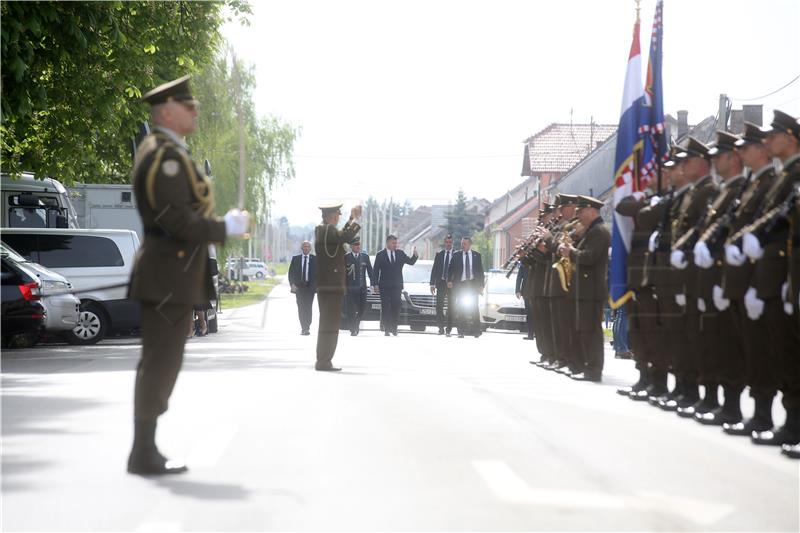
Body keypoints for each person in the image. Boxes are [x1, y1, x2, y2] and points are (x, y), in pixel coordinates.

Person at [127, 75, 250, 475]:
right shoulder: (164, 158)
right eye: (188, 105)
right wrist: (223, 228)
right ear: (166, 112)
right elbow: (176, 219)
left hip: (172, 273)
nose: (195, 110)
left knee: (165, 360)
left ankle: (145, 448)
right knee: (161, 362)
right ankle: (142, 451)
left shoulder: (169, 152)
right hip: (166, 273)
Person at [558, 195, 610, 382]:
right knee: (583, 330)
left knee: (591, 332)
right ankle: (585, 366)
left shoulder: (599, 231)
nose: (578, 215)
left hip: (592, 289)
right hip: (585, 289)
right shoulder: (591, 231)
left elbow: (589, 257)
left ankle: (594, 369)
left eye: (581, 212)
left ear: (591, 210)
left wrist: (570, 251)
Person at [314, 203, 362, 371]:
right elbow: (346, 237)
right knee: (330, 326)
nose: (338, 217)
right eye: (337, 215)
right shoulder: (327, 230)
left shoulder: (325, 231)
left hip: (328, 286)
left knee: (328, 325)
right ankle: (324, 361)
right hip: (331, 286)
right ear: (331, 216)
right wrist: (354, 219)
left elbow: (341, 236)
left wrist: (351, 219)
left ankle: (324, 359)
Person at [373, 235, 418, 336]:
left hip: (397, 286)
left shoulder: (400, 253)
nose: (395, 245)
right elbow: (375, 270)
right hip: (384, 286)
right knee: (385, 307)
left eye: (396, 243)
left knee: (396, 306)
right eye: (393, 243)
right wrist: (374, 284)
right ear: (388, 243)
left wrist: (415, 255)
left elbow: (410, 262)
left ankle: (394, 328)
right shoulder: (380, 255)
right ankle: (387, 328)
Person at [447, 236, 485, 338]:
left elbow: (481, 272)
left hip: (472, 285)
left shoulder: (477, 255)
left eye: (464, 244)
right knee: (461, 308)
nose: (462, 245)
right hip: (461, 285)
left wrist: (481, 286)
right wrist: (449, 280)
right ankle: (461, 331)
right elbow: (450, 269)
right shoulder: (456, 255)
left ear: (470, 244)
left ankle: (477, 331)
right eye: (462, 243)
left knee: (474, 308)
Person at [344, 238, 374, 336]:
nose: (358, 247)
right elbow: (342, 274)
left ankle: (356, 324)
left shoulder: (365, 257)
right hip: (350, 289)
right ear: (351, 246)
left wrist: (374, 284)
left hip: (362, 288)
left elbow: (370, 271)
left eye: (358, 245)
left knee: (363, 308)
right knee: (350, 310)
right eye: (355, 245)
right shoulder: (346, 257)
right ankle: (353, 328)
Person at [288, 241, 316, 335]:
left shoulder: (315, 259)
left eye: (308, 246)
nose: (306, 248)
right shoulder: (295, 259)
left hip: (310, 288)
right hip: (299, 288)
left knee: (308, 307)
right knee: (301, 307)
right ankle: (303, 327)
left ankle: (307, 326)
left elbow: (319, 274)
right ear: (302, 248)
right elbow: (291, 273)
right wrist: (292, 284)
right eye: (304, 246)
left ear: (310, 248)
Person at [430, 234, 455, 335]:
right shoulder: (439, 254)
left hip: (451, 285)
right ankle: (441, 328)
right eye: (447, 242)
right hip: (441, 284)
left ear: (452, 243)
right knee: (439, 307)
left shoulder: (456, 254)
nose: (448, 244)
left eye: (450, 242)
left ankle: (448, 329)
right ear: (444, 243)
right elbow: (434, 269)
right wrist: (432, 284)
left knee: (451, 307)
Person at [515, 261, 533, 340]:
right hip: (527, 292)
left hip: (538, 292)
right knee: (529, 314)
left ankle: (538, 333)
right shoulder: (524, 263)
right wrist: (517, 290)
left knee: (537, 314)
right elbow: (519, 277)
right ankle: (530, 334)